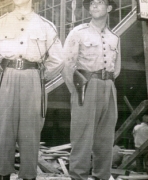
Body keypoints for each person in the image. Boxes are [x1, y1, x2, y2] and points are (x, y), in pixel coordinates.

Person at [0, 0, 63, 179]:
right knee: (3, 132)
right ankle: (2, 174)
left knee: (30, 134)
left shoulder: (46, 26)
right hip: (5, 78)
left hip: (32, 79)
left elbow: (58, 59)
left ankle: (28, 175)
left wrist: (39, 76)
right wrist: (1, 74)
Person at [62, 0, 121, 180]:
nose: (94, 5)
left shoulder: (115, 37)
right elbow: (67, 65)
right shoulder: (78, 33)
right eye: (92, 3)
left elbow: (117, 68)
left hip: (108, 86)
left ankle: (101, 176)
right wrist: (76, 90)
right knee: (82, 136)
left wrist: (107, 82)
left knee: (105, 137)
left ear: (109, 8)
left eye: (100, 2)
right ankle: (78, 176)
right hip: (86, 85)